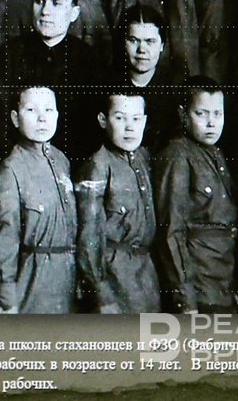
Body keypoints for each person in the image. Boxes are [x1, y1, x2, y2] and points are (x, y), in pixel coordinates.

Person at [0, 0, 99, 161]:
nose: (45, 11)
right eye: (39, 1)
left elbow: (91, 130)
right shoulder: (8, 55)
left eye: (56, 3)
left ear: (74, 13)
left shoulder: (89, 61)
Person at [0, 86, 77, 314]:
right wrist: (7, 296)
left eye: (48, 110)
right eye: (31, 110)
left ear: (57, 115)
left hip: (68, 278)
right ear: (15, 118)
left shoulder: (62, 160)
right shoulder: (11, 170)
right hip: (33, 282)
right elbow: (5, 238)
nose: (42, 118)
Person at [154, 77, 238, 314]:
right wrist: (184, 297)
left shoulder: (216, 154)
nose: (211, 123)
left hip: (222, 279)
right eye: (201, 114)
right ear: (183, 114)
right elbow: (171, 232)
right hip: (198, 283)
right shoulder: (177, 155)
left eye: (218, 114)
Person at [76, 90, 160, 314]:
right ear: (103, 120)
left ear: (144, 121)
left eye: (136, 119)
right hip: (114, 275)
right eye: (120, 118)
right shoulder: (97, 166)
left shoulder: (145, 159)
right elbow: (89, 236)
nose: (129, 127)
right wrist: (101, 293)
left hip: (147, 274)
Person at [112, 3, 179, 152]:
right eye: (133, 40)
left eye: (150, 42)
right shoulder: (108, 85)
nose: (142, 49)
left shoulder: (175, 87)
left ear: (162, 45)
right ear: (123, 43)